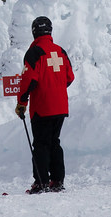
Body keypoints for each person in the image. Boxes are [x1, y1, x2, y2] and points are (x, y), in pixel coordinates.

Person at [15, 16, 74, 194]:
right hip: (61, 107)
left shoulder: (34, 52)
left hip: (42, 106)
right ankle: (57, 181)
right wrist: (56, 87)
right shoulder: (60, 51)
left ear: (34, 32)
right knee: (54, 142)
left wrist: (22, 103)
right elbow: (69, 77)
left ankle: (41, 182)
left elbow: (28, 80)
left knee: (41, 144)